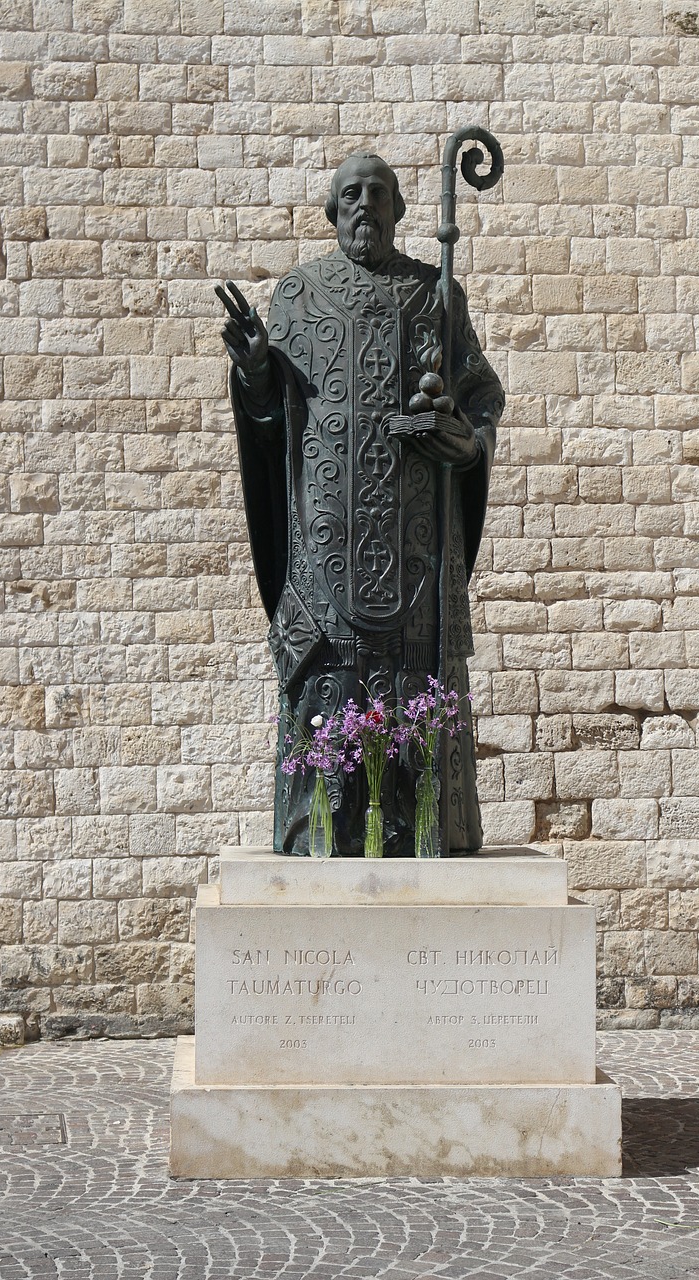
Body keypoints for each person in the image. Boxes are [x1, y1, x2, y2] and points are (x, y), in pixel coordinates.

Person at [217, 153, 504, 855]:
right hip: (325, 556)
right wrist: (256, 370)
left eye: (379, 193)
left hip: (415, 555)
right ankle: (322, 839)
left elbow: (479, 403)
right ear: (330, 210)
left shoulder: (436, 296)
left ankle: (425, 835)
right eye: (350, 193)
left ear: (401, 211)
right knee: (328, 699)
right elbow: (270, 423)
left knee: (417, 699)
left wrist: (461, 441)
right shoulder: (297, 297)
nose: (364, 205)